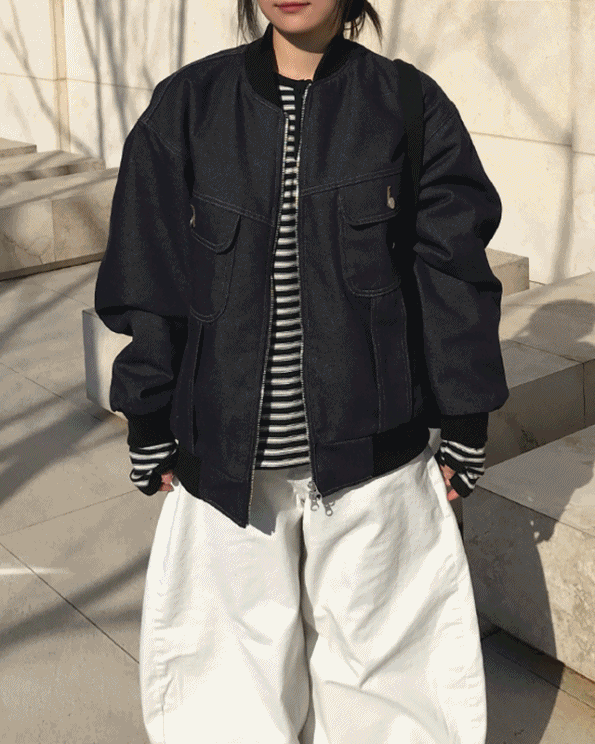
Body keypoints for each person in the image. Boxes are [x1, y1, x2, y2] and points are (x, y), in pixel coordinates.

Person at [94, 0, 509, 741]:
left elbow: (452, 274)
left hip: (374, 461)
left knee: (388, 686)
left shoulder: (408, 104)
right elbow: (148, 270)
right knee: (225, 693)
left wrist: (466, 419)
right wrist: (148, 416)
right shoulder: (189, 105)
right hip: (226, 465)